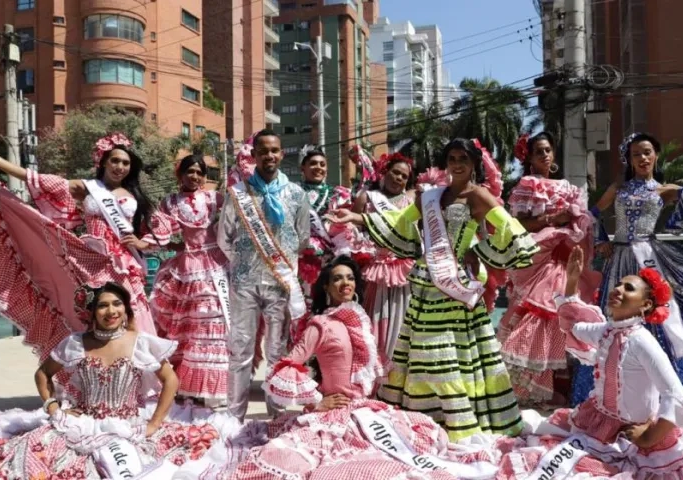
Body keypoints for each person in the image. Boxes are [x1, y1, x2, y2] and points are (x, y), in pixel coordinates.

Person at [511, 246, 683, 479]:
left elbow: (675, 394)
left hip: (633, 432)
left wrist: (650, 437)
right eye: (618, 285)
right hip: (597, 423)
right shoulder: (607, 331)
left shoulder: (641, 341)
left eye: (629, 288)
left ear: (646, 305)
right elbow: (573, 325)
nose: (618, 289)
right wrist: (572, 282)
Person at [212, 256, 501, 480]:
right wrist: (317, 400)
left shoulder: (360, 319)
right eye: (337, 279)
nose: (345, 283)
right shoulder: (320, 324)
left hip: (365, 410)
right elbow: (286, 366)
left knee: (421, 443)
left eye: (350, 278)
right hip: (335, 415)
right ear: (326, 287)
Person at [328, 138, 539, 442]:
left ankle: (460, 420)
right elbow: (400, 221)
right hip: (428, 282)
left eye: (463, 158)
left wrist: (478, 251)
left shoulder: (478, 195)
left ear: (474, 163)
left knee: (453, 352)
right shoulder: (432, 197)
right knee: (424, 352)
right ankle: (429, 418)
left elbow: (511, 228)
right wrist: (356, 217)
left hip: (456, 286)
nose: (457, 164)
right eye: (452, 158)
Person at [0, 283, 234, 479]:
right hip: (80, 423)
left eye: (117, 304)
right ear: (91, 312)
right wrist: (52, 405)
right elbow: (42, 373)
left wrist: (155, 423)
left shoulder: (140, 343)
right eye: (103, 306)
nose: (111, 311)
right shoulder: (76, 343)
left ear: (125, 309)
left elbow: (171, 381)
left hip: (128, 425)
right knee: (39, 458)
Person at [573, 125, 683, 409]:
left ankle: (661, 387)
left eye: (647, 153)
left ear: (655, 156)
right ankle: (606, 388)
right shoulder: (618, 188)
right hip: (619, 260)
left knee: (662, 319)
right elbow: (590, 215)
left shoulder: (664, 190)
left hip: (649, 260)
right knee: (613, 314)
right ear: (629, 160)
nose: (642, 158)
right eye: (636, 154)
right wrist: (601, 239)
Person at [0, 135, 170, 360]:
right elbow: (37, 179)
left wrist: (142, 243)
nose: (120, 167)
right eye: (115, 161)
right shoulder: (87, 188)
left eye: (126, 163)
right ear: (103, 162)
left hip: (123, 264)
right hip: (92, 259)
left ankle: (138, 367)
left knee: (129, 311)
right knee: (95, 313)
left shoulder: (133, 194)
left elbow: (162, 225)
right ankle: (100, 367)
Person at [496, 132, 601, 408]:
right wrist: (554, 219)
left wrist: (577, 222)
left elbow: (582, 221)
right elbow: (518, 224)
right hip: (539, 256)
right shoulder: (527, 186)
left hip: (564, 256)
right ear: (529, 159)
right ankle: (526, 386)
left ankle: (560, 386)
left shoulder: (567, 187)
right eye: (538, 151)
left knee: (563, 313)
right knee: (537, 312)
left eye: (547, 150)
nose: (544, 155)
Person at [217, 129, 310, 422]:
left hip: (280, 283)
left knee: (277, 351)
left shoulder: (296, 194)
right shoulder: (237, 193)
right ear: (254, 155)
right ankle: (234, 419)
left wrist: (279, 261)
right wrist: (244, 263)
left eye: (274, 150)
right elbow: (223, 238)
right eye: (263, 151)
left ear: (281, 154)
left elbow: (303, 238)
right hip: (244, 284)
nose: (269, 155)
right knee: (240, 350)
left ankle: (277, 418)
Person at [151, 153, 230, 409]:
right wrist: (177, 246)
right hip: (188, 268)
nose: (194, 176)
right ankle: (187, 386)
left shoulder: (214, 198)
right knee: (190, 326)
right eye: (189, 171)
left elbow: (236, 216)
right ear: (180, 174)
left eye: (199, 172)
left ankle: (213, 388)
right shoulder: (169, 202)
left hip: (217, 264)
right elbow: (160, 234)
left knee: (215, 324)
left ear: (204, 177)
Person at [344, 150, 416, 359]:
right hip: (374, 270)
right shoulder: (367, 198)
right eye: (395, 172)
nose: (399, 178)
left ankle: (397, 366)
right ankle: (374, 363)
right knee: (374, 316)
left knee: (402, 317)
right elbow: (350, 230)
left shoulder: (412, 200)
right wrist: (363, 250)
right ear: (385, 172)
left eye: (404, 176)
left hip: (403, 271)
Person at [297, 146, 352, 295]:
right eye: (313, 163)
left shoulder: (337, 194)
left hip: (328, 257)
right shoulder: (292, 192)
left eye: (322, 164)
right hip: (299, 254)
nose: (318, 167)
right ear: (303, 168)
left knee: (325, 297)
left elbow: (344, 227)